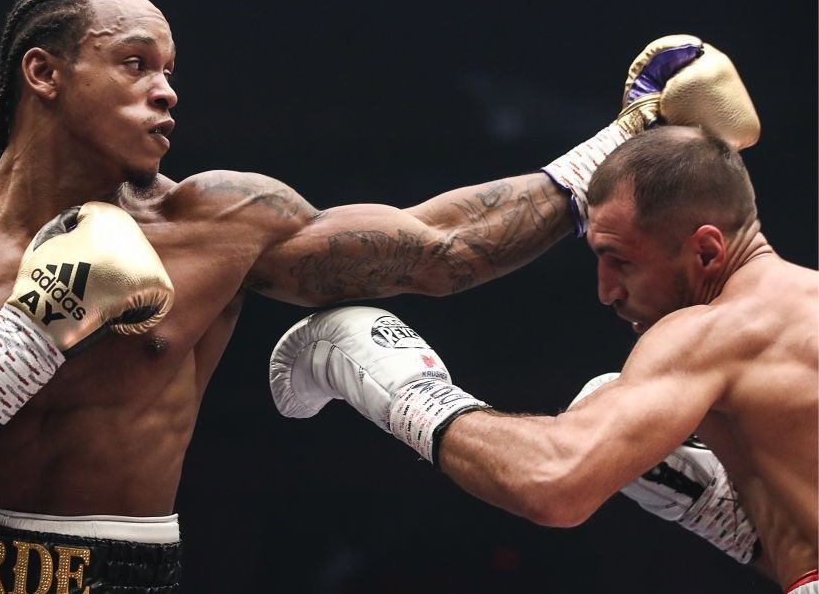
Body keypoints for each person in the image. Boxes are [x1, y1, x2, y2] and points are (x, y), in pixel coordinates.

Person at [0, 0, 759, 593]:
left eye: (171, 70)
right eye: (134, 63)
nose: (166, 89)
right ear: (43, 73)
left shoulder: (219, 223)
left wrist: (625, 135)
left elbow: (439, 249)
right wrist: (32, 329)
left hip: (122, 572)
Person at [269, 125, 818, 593]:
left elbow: (554, 479)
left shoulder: (717, 331)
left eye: (620, 260)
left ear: (706, 250)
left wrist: (409, 393)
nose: (606, 291)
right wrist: (724, 512)